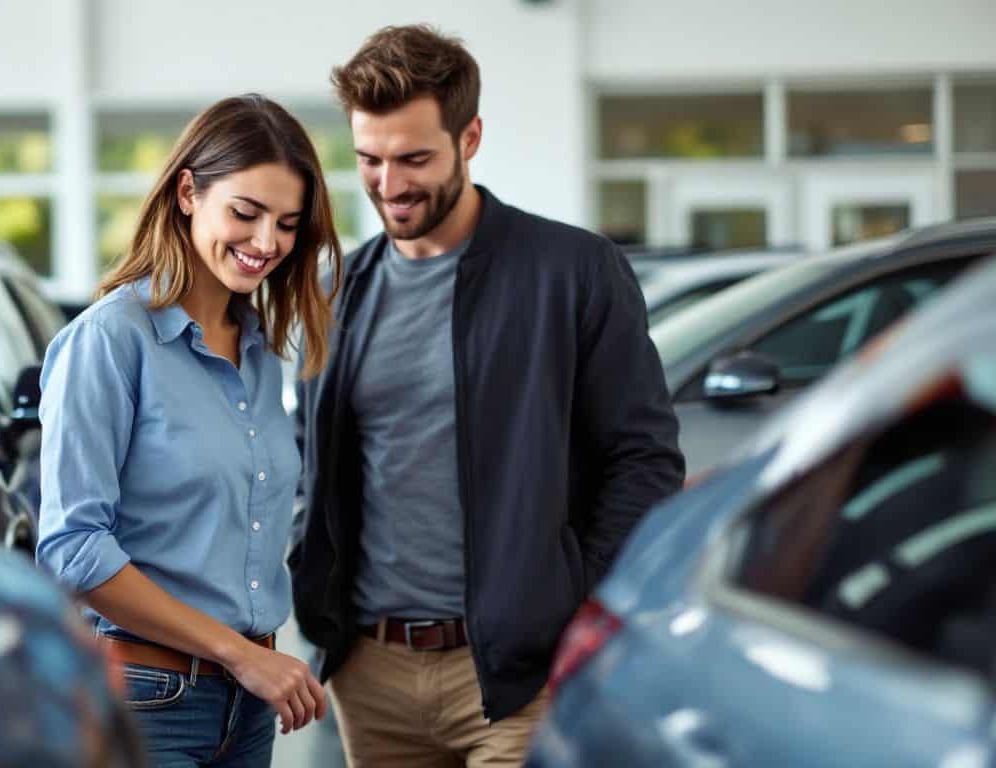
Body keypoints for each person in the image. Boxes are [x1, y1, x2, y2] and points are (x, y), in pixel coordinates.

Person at [289, 25, 685, 767]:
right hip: (370, 673)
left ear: (470, 138)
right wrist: (310, 579)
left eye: (415, 159)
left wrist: (572, 606)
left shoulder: (573, 271)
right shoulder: (335, 290)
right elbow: (310, 461)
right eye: (369, 159)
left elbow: (643, 462)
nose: (390, 184)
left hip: (519, 674)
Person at [37, 94, 341, 768]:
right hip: (149, 701)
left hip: (251, 705)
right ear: (186, 192)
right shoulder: (110, 341)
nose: (267, 243)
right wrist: (237, 652)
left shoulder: (260, 351)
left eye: (288, 224)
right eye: (246, 212)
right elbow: (73, 548)